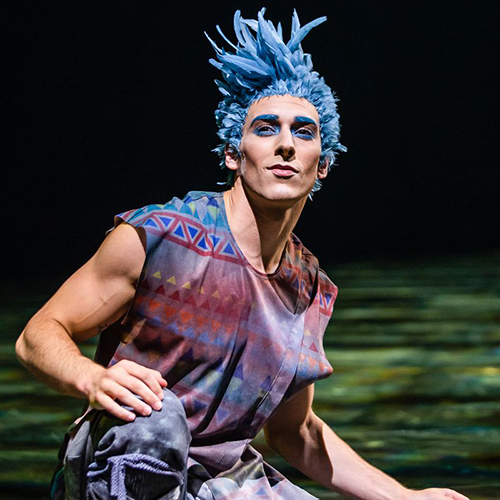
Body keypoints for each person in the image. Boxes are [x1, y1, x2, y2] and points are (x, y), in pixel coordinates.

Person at [16, 8, 469, 500]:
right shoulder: (159, 236)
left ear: (322, 165)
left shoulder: (307, 288)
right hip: (124, 455)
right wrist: (92, 378)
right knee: (158, 417)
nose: (285, 145)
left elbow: (296, 432)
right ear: (234, 154)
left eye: (304, 132)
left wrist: (407, 497)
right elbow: (37, 334)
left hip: (216, 479)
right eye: (266, 128)